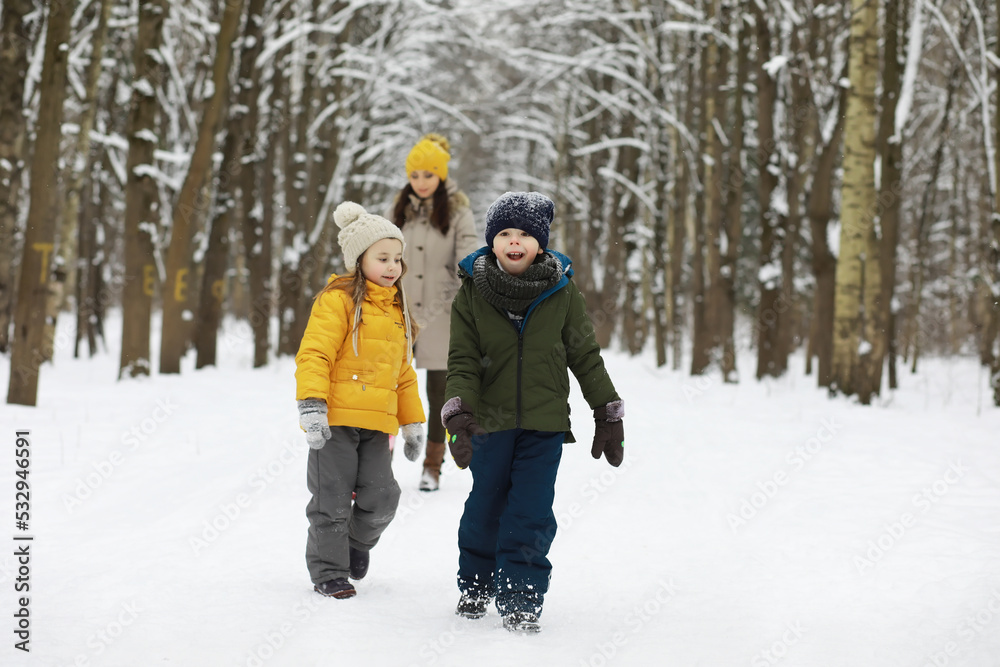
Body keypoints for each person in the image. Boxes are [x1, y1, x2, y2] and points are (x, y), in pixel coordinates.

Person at [440, 192, 625, 633]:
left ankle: (521, 595)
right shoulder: (471, 293)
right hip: (488, 423)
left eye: (524, 234)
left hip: (544, 425)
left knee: (532, 510)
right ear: (492, 241)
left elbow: (585, 355)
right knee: (486, 505)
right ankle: (477, 585)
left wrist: (607, 410)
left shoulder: (562, 291)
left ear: (540, 243)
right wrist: (459, 412)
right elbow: (463, 360)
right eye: (504, 233)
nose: (514, 241)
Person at [295, 201, 426, 599]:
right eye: (382, 258)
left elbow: (402, 373)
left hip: (377, 424)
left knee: (383, 496)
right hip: (335, 420)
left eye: (398, 259)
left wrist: (413, 422)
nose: (392, 267)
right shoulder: (337, 301)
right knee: (331, 499)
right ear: (358, 260)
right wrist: (312, 405)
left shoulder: (398, 313)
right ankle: (329, 572)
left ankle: (356, 545)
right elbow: (314, 354)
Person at [390, 133, 479, 492]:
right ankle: (379, 463)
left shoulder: (458, 210)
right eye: (415, 175)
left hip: (443, 316)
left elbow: (469, 255)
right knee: (387, 389)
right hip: (400, 313)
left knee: (439, 393)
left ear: (441, 174)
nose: (422, 182)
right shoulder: (399, 209)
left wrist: (455, 284)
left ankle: (432, 465)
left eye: (429, 174)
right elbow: (383, 249)